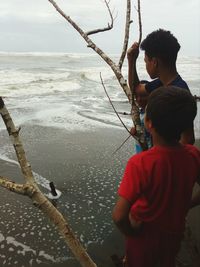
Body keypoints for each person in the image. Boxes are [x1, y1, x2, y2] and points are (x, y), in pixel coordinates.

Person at [112, 86, 200, 267]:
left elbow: (119, 216)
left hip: (143, 238)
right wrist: (186, 204)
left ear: (149, 122)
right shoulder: (193, 155)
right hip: (174, 233)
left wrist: (132, 232)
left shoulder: (140, 163)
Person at [127, 29, 194, 145]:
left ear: (154, 62)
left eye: (146, 61)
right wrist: (131, 60)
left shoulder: (180, 92)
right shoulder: (160, 83)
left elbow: (187, 138)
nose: (146, 65)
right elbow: (136, 89)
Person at [131, 80, 152, 153]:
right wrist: (135, 131)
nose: (139, 99)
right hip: (139, 148)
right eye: (136, 96)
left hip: (149, 149)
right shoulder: (139, 113)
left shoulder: (152, 114)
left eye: (143, 96)